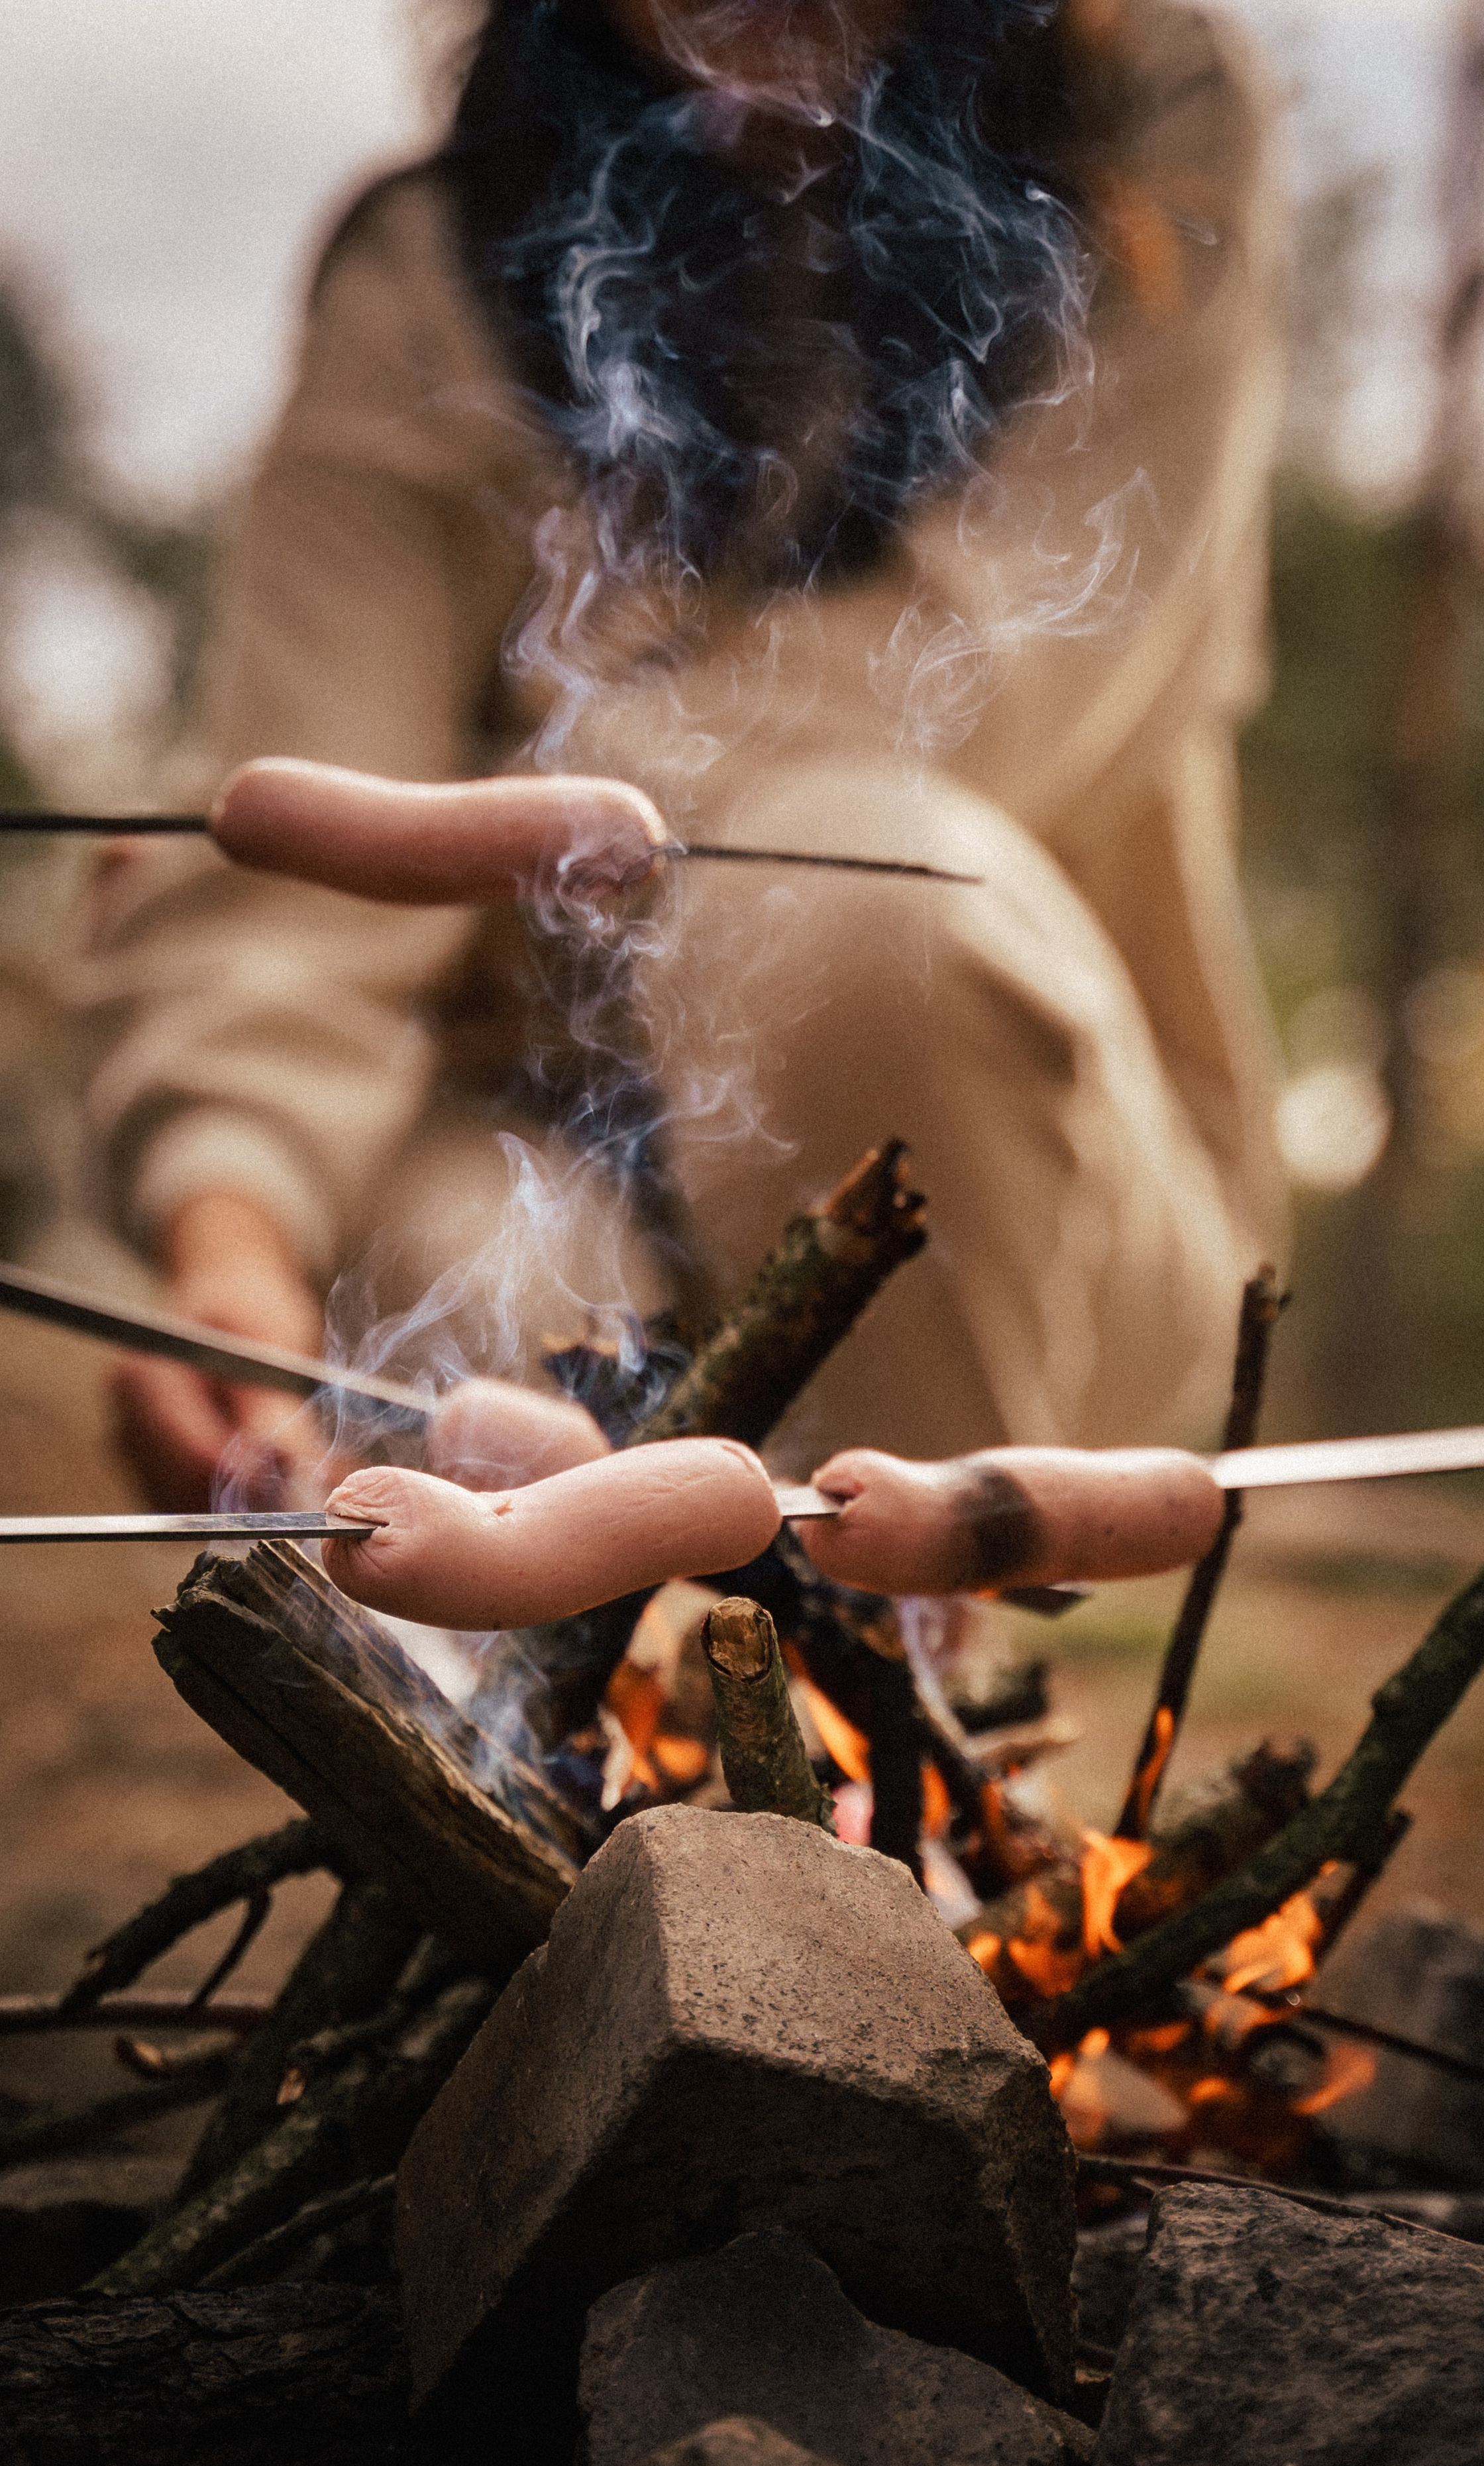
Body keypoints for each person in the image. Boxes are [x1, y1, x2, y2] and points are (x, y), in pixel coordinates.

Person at [83, 0, 1288, 1511]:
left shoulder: (1131, 126)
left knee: (871, 902)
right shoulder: (425, 270)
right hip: (557, 1179)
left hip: (1036, 1203)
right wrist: (231, 1241)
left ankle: (905, 1674)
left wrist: (499, 827)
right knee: (456, 1275)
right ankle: (612, 1720)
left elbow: (1006, 693)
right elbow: (303, 858)